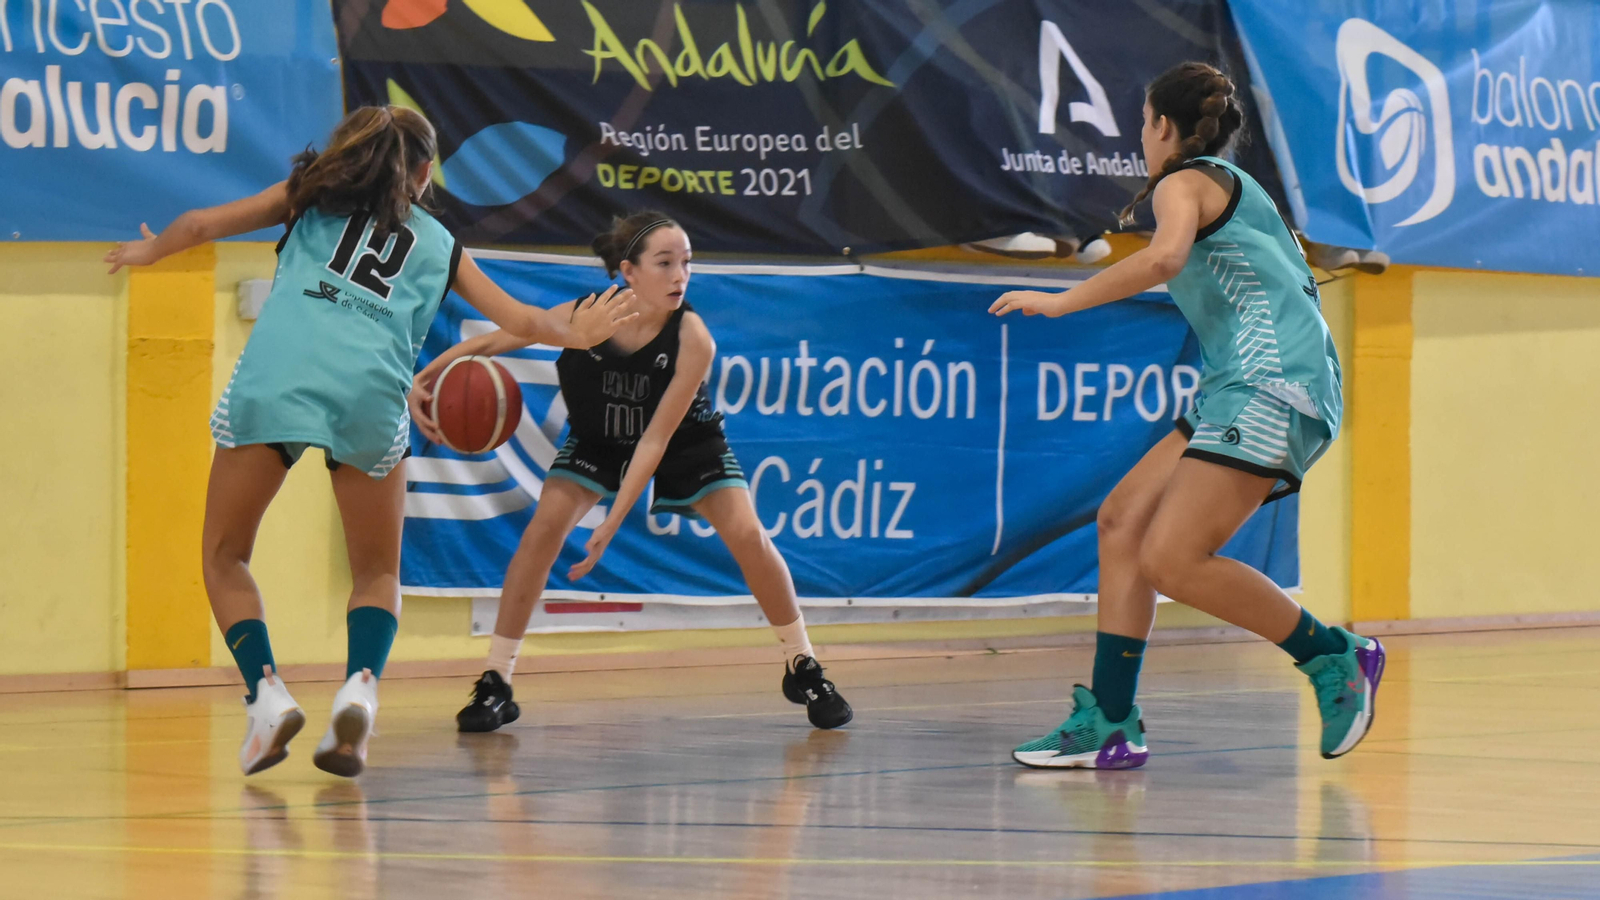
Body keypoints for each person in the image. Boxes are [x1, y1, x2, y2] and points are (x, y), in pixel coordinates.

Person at [104, 106, 635, 778]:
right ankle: (359, 688)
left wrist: (150, 250)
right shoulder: (441, 243)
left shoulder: (308, 199)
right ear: (422, 172)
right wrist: (581, 333)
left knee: (224, 554)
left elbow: (202, 225)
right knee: (378, 573)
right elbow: (523, 319)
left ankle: (266, 696)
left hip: (279, 381)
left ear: (350, 151)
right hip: (370, 398)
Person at [990, 62, 1383, 768]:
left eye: (1144, 123)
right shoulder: (1240, 188)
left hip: (1270, 386)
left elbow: (1163, 259)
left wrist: (1058, 300)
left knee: (1172, 558)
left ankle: (1332, 656)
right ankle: (1111, 720)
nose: (1143, 138)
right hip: (1240, 384)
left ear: (1163, 127)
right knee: (1123, 520)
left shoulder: (1181, 182)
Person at [412, 211, 853, 734]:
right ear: (629, 272)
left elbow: (655, 441)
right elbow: (501, 337)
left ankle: (801, 664)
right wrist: (428, 374)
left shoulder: (693, 337)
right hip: (598, 438)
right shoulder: (587, 315)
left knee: (747, 533)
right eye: (664, 263)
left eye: (686, 263)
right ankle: (496, 681)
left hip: (683, 442)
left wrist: (610, 525)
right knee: (543, 531)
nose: (679, 275)